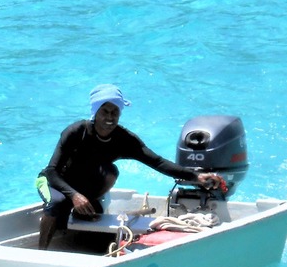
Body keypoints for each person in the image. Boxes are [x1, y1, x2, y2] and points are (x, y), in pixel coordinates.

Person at [35, 84, 223, 249]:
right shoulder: (76, 132)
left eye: (114, 112)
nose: (109, 117)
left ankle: (81, 208)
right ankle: (41, 253)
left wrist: (196, 177)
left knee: (110, 173)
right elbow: (52, 171)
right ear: (95, 112)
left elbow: (157, 162)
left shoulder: (124, 139)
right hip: (52, 182)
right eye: (104, 111)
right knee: (57, 203)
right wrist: (74, 196)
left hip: (83, 186)